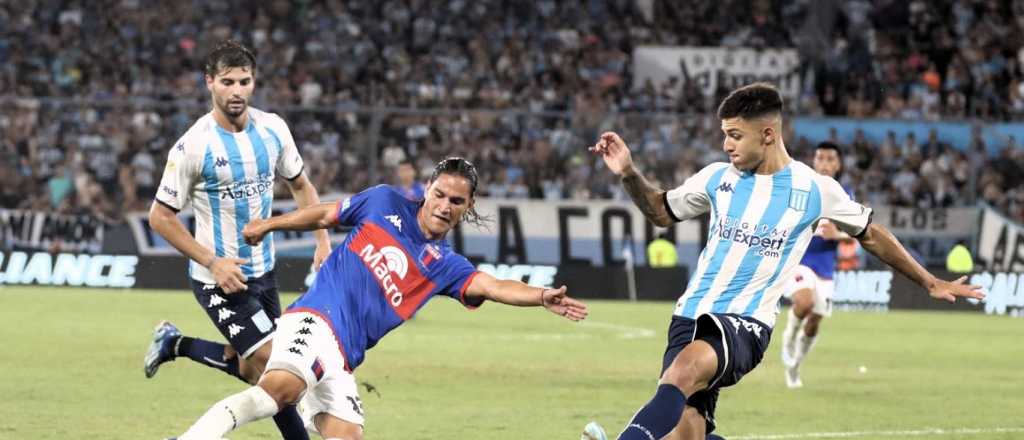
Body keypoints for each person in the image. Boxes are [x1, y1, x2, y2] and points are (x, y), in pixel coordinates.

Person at [587, 83, 984, 440]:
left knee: (682, 373)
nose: (726, 145)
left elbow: (871, 232)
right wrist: (628, 173)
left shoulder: (815, 189)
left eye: (735, 135)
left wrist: (929, 280)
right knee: (685, 433)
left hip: (745, 322)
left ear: (768, 134)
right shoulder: (716, 178)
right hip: (688, 316)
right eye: (725, 135)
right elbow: (660, 211)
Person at [172, 157, 589, 439]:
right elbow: (326, 214)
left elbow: (494, 286)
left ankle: (297, 400)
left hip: (344, 354)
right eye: (440, 194)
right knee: (273, 393)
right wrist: (271, 224)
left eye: (456, 201)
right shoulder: (385, 201)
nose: (444, 206)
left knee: (346, 434)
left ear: (469, 206)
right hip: (315, 320)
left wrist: (539, 296)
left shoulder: (446, 265)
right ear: (428, 189)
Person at [143, 40, 332, 440]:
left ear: (254, 82)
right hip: (218, 281)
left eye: (244, 81)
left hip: (264, 271)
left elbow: (302, 185)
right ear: (209, 82)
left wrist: (321, 240)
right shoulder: (194, 145)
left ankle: (175, 344)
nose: (236, 91)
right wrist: (214, 262)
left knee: (253, 370)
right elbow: (160, 217)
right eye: (227, 82)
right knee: (277, 366)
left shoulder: (274, 129)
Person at [779, 141, 853, 388]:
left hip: (825, 267)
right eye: (820, 158)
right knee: (804, 302)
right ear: (814, 161)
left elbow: (858, 235)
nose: (825, 164)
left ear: (838, 164)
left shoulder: (845, 196)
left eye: (830, 159)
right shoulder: (801, 187)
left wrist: (838, 235)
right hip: (800, 261)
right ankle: (788, 339)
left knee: (815, 321)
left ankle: (795, 366)